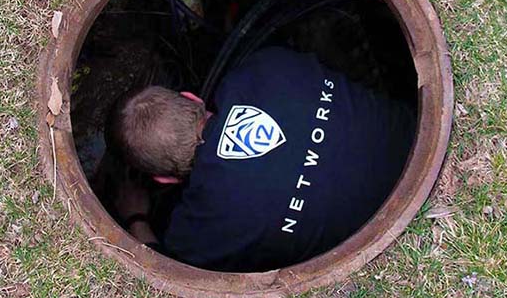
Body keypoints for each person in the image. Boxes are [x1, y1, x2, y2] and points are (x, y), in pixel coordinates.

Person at [108, 47, 416, 272]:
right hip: (415, 153)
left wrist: (136, 217)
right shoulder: (265, 65)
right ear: (192, 98)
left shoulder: (200, 231)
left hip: (384, 240)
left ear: (164, 180)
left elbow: (167, 275)